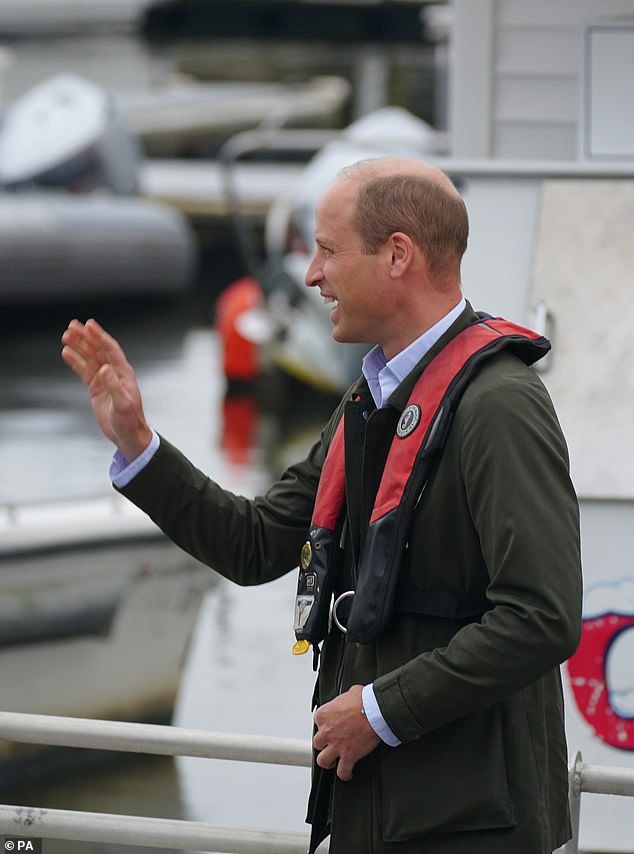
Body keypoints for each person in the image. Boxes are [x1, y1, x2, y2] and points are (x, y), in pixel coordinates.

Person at [61, 156, 582, 854]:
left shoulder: (501, 405)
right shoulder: (370, 402)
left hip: (470, 827)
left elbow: (542, 618)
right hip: (383, 814)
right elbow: (255, 545)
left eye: (328, 251)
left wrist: (379, 710)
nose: (311, 276)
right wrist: (138, 443)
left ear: (398, 254)